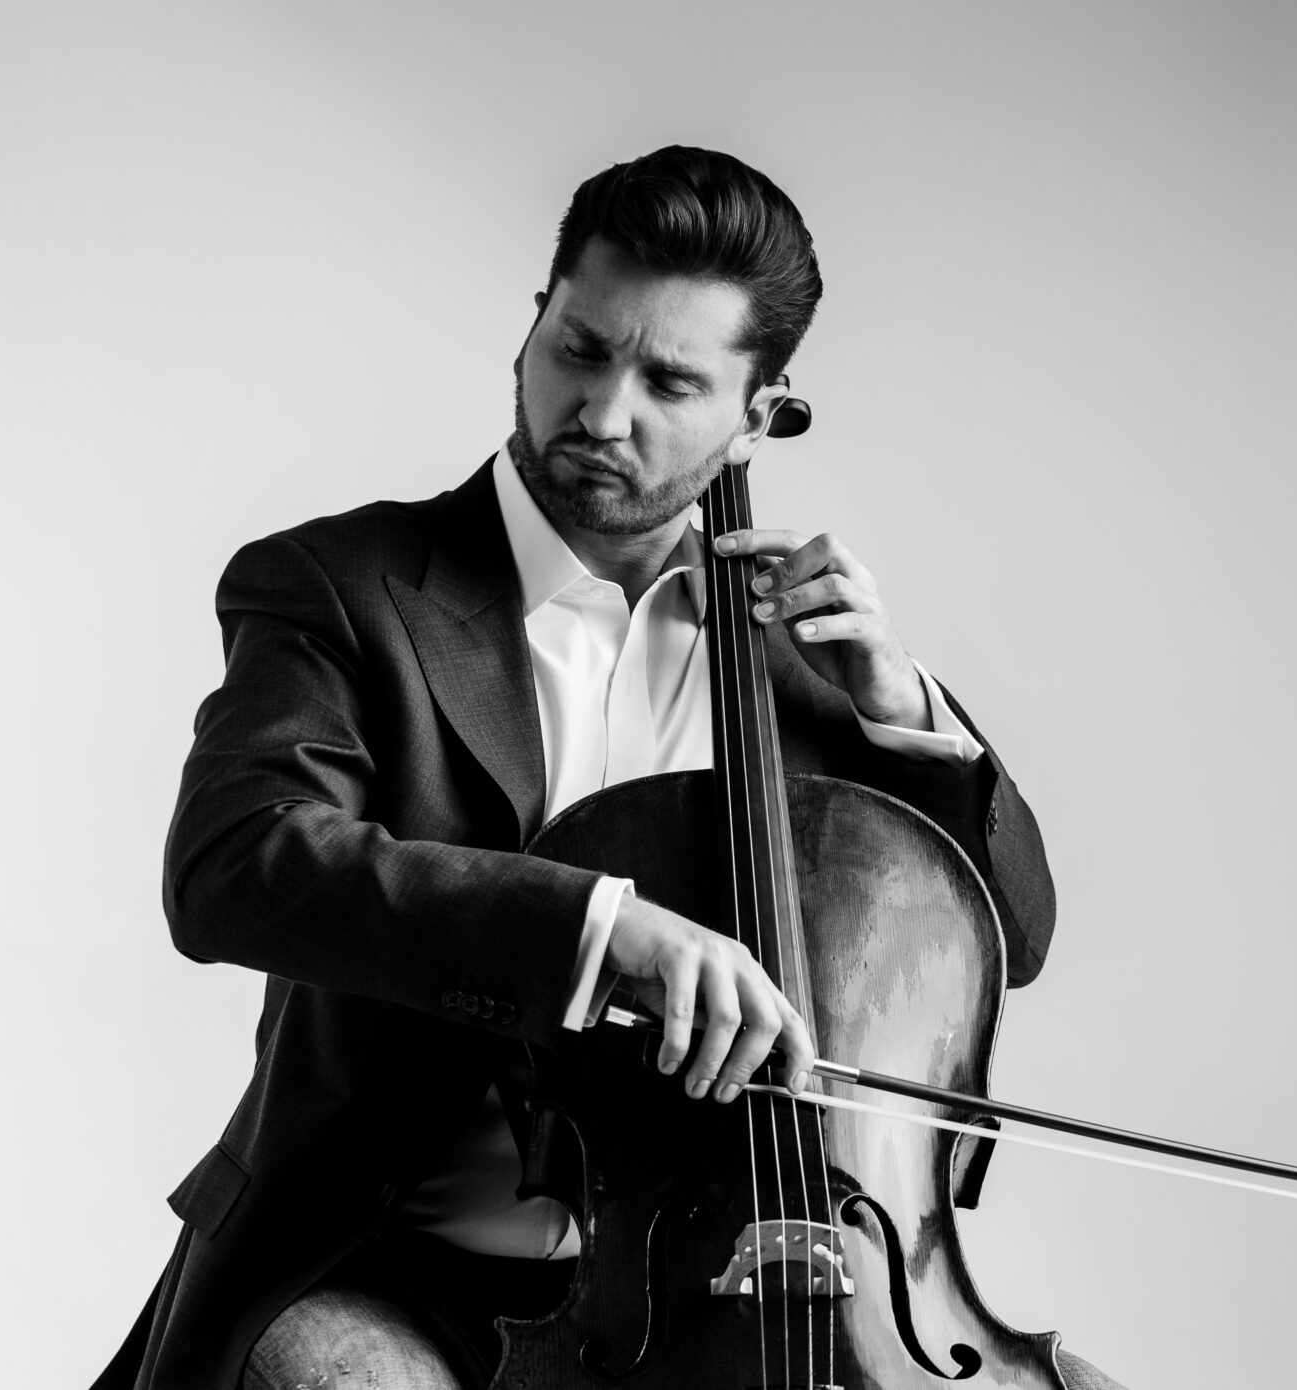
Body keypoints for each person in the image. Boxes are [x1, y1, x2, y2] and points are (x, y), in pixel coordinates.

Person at [91, 146, 1123, 1390]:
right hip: (395, 1271)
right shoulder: (345, 589)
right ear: (533, 325)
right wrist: (596, 928)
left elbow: (1010, 937)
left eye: (670, 381)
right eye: (579, 349)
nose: (600, 413)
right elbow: (232, 868)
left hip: (734, 1292)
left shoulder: (796, 667)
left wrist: (905, 714)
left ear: (759, 411)